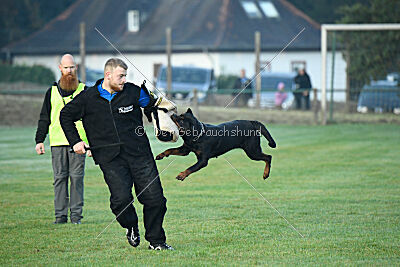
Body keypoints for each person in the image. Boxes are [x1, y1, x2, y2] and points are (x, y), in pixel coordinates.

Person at [59, 58, 173, 250]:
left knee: (155, 199)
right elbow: (65, 116)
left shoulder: (133, 92)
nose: (123, 80)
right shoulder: (88, 98)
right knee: (120, 200)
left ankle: (156, 241)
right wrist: (76, 141)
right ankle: (131, 226)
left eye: (125, 76)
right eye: (120, 76)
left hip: (140, 154)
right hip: (110, 158)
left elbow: (155, 105)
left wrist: (166, 116)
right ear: (108, 75)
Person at [35, 54, 88, 224]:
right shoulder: (51, 92)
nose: (69, 71)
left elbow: (93, 120)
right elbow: (45, 117)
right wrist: (39, 140)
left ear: (76, 67)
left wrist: (91, 144)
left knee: (77, 179)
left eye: (72, 67)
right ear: (60, 68)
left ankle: (76, 216)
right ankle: (60, 216)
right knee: (59, 179)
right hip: (57, 143)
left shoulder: (85, 91)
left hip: (79, 144)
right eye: (66, 68)